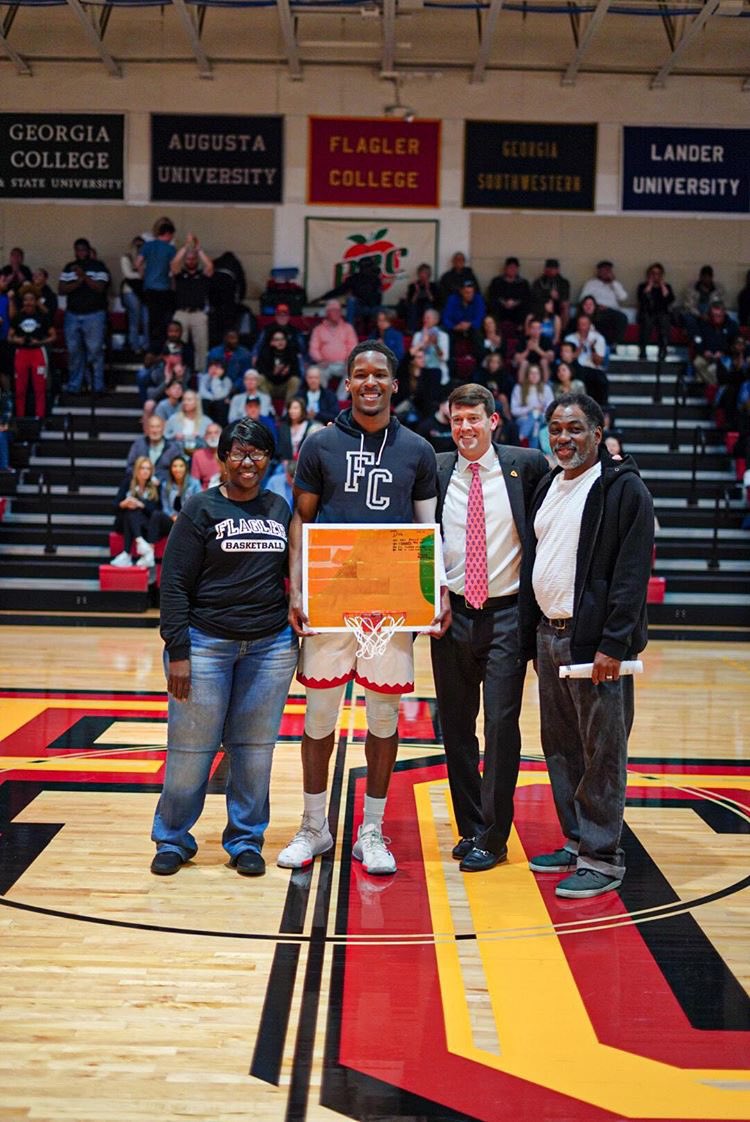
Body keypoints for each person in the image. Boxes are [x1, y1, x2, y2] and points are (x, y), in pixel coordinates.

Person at [277, 340, 450, 876]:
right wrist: (297, 590)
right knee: (320, 713)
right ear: (347, 383)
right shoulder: (320, 444)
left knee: (383, 715)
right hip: (332, 597)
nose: (370, 382)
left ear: (395, 384)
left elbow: (428, 531)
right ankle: (314, 827)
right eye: (360, 375)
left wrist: (437, 592)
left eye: (380, 375)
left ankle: (371, 831)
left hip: (391, 605)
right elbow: (301, 520)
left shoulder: (418, 449)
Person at [150, 418, 299, 876]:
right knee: (191, 749)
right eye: (238, 453)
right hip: (205, 645)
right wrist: (178, 651)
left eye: (257, 454)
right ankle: (173, 838)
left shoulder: (279, 507)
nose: (247, 462)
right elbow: (173, 584)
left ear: (268, 460)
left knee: (254, 750)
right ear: (222, 458)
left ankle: (245, 839)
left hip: (270, 647)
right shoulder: (201, 509)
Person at [519, 392, 654, 899]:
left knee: (602, 751)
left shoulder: (624, 490)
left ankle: (602, 856)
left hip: (595, 644)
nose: (564, 438)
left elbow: (631, 574)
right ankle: (578, 842)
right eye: (556, 428)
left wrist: (613, 645)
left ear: (599, 432)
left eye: (575, 429)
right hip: (549, 637)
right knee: (561, 746)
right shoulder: (550, 485)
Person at [431, 383, 548, 871]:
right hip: (452, 614)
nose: (465, 429)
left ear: (493, 421)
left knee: (500, 725)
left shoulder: (528, 466)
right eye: (457, 420)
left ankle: (495, 836)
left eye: (473, 419)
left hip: (506, 612)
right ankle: (471, 826)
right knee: (456, 727)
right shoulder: (436, 469)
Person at [58, 238, 111, 395]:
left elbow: (100, 288)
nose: (80, 252)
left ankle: (97, 385)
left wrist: (83, 276)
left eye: (83, 249)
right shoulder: (69, 268)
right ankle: (74, 385)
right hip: (72, 315)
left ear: (88, 250)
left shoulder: (99, 267)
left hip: (94, 315)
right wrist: (80, 280)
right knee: (74, 352)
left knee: (95, 351)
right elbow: (61, 289)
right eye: (77, 250)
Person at [171, 232, 214, 374]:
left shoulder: (202, 275)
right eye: (188, 259)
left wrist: (198, 249)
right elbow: (173, 264)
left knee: (201, 346)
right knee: (177, 345)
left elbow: (210, 266)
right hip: (181, 313)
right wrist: (186, 247)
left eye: (193, 259)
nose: (190, 261)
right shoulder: (180, 275)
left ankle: (201, 373)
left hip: (198, 313)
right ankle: (178, 372)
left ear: (196, 260)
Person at [8, 289, 55, 419]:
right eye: (26, 300)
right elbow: (9, 337)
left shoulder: (43, 316)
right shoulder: (18, 317)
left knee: (39, 388)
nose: (28, 302)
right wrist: (17, 339)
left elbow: (53, 336)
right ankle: (20, 419)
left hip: (38, 352)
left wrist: (40, 341)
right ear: (23, 302)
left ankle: (40, 418)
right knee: (20, 390)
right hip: (22, 353)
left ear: (35, 301)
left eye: (31, 300)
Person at [111, 456, 162, 568]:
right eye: (142, 468)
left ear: (151, 471)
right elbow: (114, 505)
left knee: (134, 509)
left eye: (148, 469)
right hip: (124, 523)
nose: (145, 471)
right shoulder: (128, 482)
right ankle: (140, 543)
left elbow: (156, 510)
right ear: (136, 470)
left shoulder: (155, 486)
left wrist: (141, 504)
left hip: (145, 524)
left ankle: (127, 553)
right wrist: (124, 503)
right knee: (130, 510)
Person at [137, 217, 177, 353]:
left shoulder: (147, 246)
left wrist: (144, 274)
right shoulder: (170, 249)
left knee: (152, 320)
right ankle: (162, 348)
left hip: (149, 288)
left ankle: (151, 349)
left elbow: (137, 263)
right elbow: (174, 269)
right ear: (169, 234)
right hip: (164, 288)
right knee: (164, 321)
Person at [146, 454, 201, 545]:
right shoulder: (166, 485)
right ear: (171, 469)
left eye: (181, 466)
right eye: (174, 466)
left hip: (189, 520)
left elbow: (199, 504)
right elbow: (165, 507)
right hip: (173, 520)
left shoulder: (194, 483)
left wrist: (183, 517)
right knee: (156, 515)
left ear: (186, 468)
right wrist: (173, 516)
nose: (177, 469)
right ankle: (149, 551)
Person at [307, 300, 358, 388]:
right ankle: (325, 398)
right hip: (325, 364)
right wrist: (320, 360)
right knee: (316, 372)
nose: (336, 313)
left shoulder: (348, 328)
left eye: (338, 310)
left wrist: (348, 360)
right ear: (327, 312)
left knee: (354, 372)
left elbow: (353, 346)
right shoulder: (319, 329)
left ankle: (340, 400)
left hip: (343, 364)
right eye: (333, 310)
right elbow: (313, 348)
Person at [579, 261, 629, 349]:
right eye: (604, 271)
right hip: (597, 310)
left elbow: (623, 297)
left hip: (612, 311)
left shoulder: (616, 284)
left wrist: (613, 282)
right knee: (599, 319)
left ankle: (614, 344)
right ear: (599, 272)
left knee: (622, 317)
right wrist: (596, 306)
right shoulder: (591, 283)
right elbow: (582, 299)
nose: (606, 273)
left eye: (608, 270)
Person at [690, 302, 739, 386]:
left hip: (725, 357)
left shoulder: (732, 325)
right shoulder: (703, 324)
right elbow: (697, 340)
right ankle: (716, 386)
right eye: (714, 315)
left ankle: (716, 387)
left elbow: (736, 344)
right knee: (698, 362)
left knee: (711, 370)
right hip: (707, 355)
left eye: (719, 315)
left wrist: (724, 352)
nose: (716, 318)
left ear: (724, 313)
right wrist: (704, 351)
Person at [125, 413, 181, 482]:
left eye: (158, 427)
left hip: (165, 486)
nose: (155, 430)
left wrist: (160, 479)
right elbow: (130, 467)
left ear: (163, 428)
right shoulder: (138, 445)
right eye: (152, 427)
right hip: (141, 485)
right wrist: (142, 477)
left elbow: (179, 470)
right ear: (148, 429)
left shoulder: (172, 448)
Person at [510, 363, 554, 449]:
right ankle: (534, 453)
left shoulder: (546, 388)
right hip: (523, 419)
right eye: (531, 373)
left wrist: (539, 412)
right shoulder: (519, 388)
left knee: (536, 416)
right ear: (527, 375)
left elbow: (551, 409)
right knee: (535, 425)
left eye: (536, 373)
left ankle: (522, 437)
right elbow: (514, 410)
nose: (534, 376)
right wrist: (531, 409)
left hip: (542, 418)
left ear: (540, 375)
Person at [636, 263, 674, 360]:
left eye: (658, 274)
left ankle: (663, 350)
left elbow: (670, 299)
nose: (656, 276)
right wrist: (649, 285)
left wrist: (662, 285)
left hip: (662, 314)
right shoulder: (642, 286)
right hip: (647, 314)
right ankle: (643, 350)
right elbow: (641, 299)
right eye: (653, 273)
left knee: (664, 321)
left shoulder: (667, 287)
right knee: (647, 322)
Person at [486, 257, 531, 337]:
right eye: (510, 267)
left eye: (515, 268)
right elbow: (492, 295)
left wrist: (515, 303)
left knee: (526, 307)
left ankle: (520, 335)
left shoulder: (523, 283)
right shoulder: (497, 281)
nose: (512, 270)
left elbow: (527, 298)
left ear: (518, 269)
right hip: (501, 308)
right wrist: (504, 302)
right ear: (505, 268)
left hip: (517, 309)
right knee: (493, 306)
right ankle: (494, 336)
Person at [120, 235, 147, 355]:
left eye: (141, 245)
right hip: (130, 290)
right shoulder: (126, 257)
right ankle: (135, 346)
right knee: (134, 320)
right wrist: (140, 275)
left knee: (147, 320)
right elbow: (128, 274)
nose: (139, 248)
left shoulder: (148, 257)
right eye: (137, 245)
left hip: (145, 291)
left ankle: (146, 346)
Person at [275, 396, 322, 462]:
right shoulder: (284, 427)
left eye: (295, 408)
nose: (292, 411)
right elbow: (280, 449)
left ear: (302, 410)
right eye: (290, 408)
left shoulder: (312, 426)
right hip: (285, 464)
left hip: (305, 464)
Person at [530, 258, 571, 329]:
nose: (551, 271)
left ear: (558, 270)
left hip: (557, 306)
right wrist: (548, 294)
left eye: (553, 268)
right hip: (542, 305)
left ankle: (563, 331)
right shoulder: (538, 281)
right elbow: (535, 295)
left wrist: (557, 297)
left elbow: (565, 297)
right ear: (545, 269)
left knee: (566, 305)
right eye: (549, 268)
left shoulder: (564, 282)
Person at [401, 262, 440, 333]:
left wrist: (428, 290)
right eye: (421, 273)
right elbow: (411, 301)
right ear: (418, 274)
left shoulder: (433, 285)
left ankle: (428, 329)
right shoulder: (413, 285)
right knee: (413, 307)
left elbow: (434, 301)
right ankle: (411, 329)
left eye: (425, 273)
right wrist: (416, 292)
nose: (423, 275)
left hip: (428, 306)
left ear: (429, 275)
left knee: (427, 306)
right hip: (416, 305)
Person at [190, 421, 222, 489]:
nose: (213, 436)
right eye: (209, 433)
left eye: (216, 433)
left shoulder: (228, 453)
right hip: (206, 493)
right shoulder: (198, 455)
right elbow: (195, 483)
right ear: (205, 437)